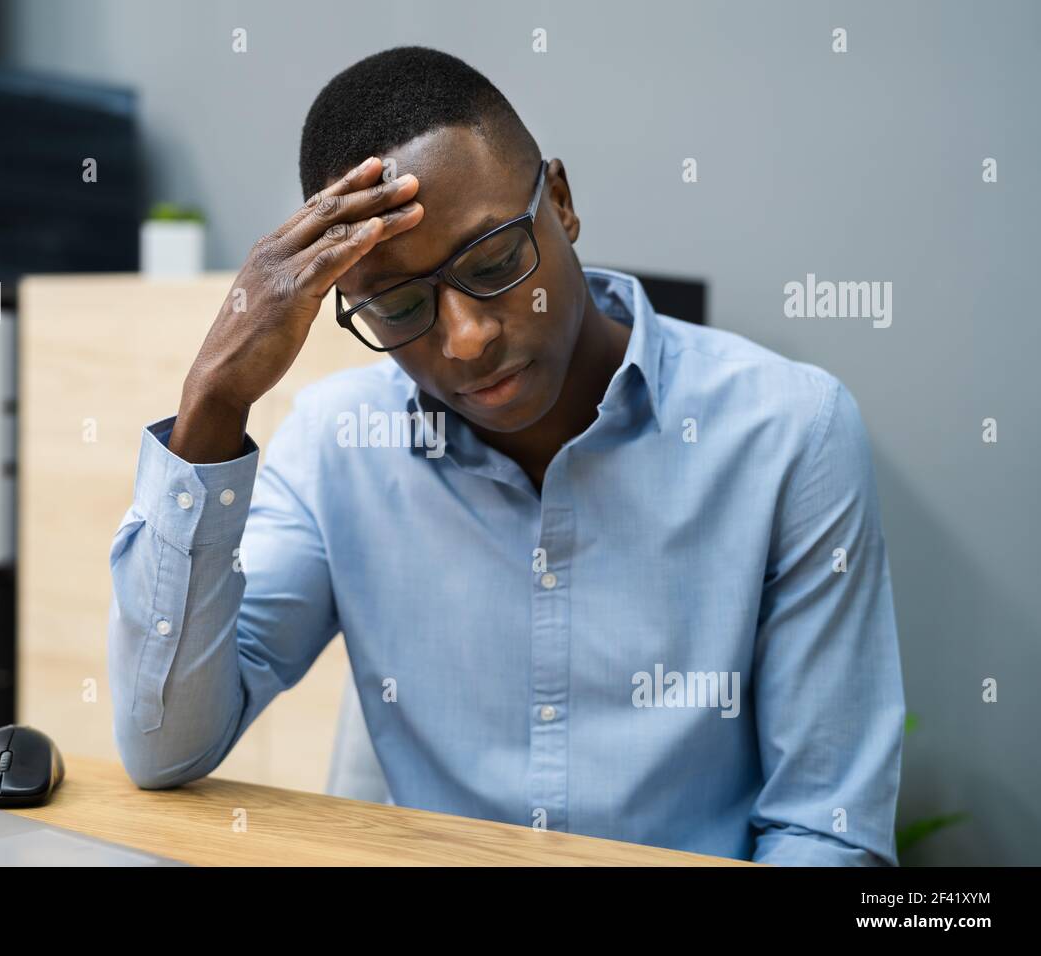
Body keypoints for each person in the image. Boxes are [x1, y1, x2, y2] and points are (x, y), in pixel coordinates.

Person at [107, 45, 904, 865]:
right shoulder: (339, 446)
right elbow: (164, 746)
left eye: (494, 264)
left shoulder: (788, 433)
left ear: (561, 202)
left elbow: (824, 834)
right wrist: (213, 404)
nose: (467, 338)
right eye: (400, 306)